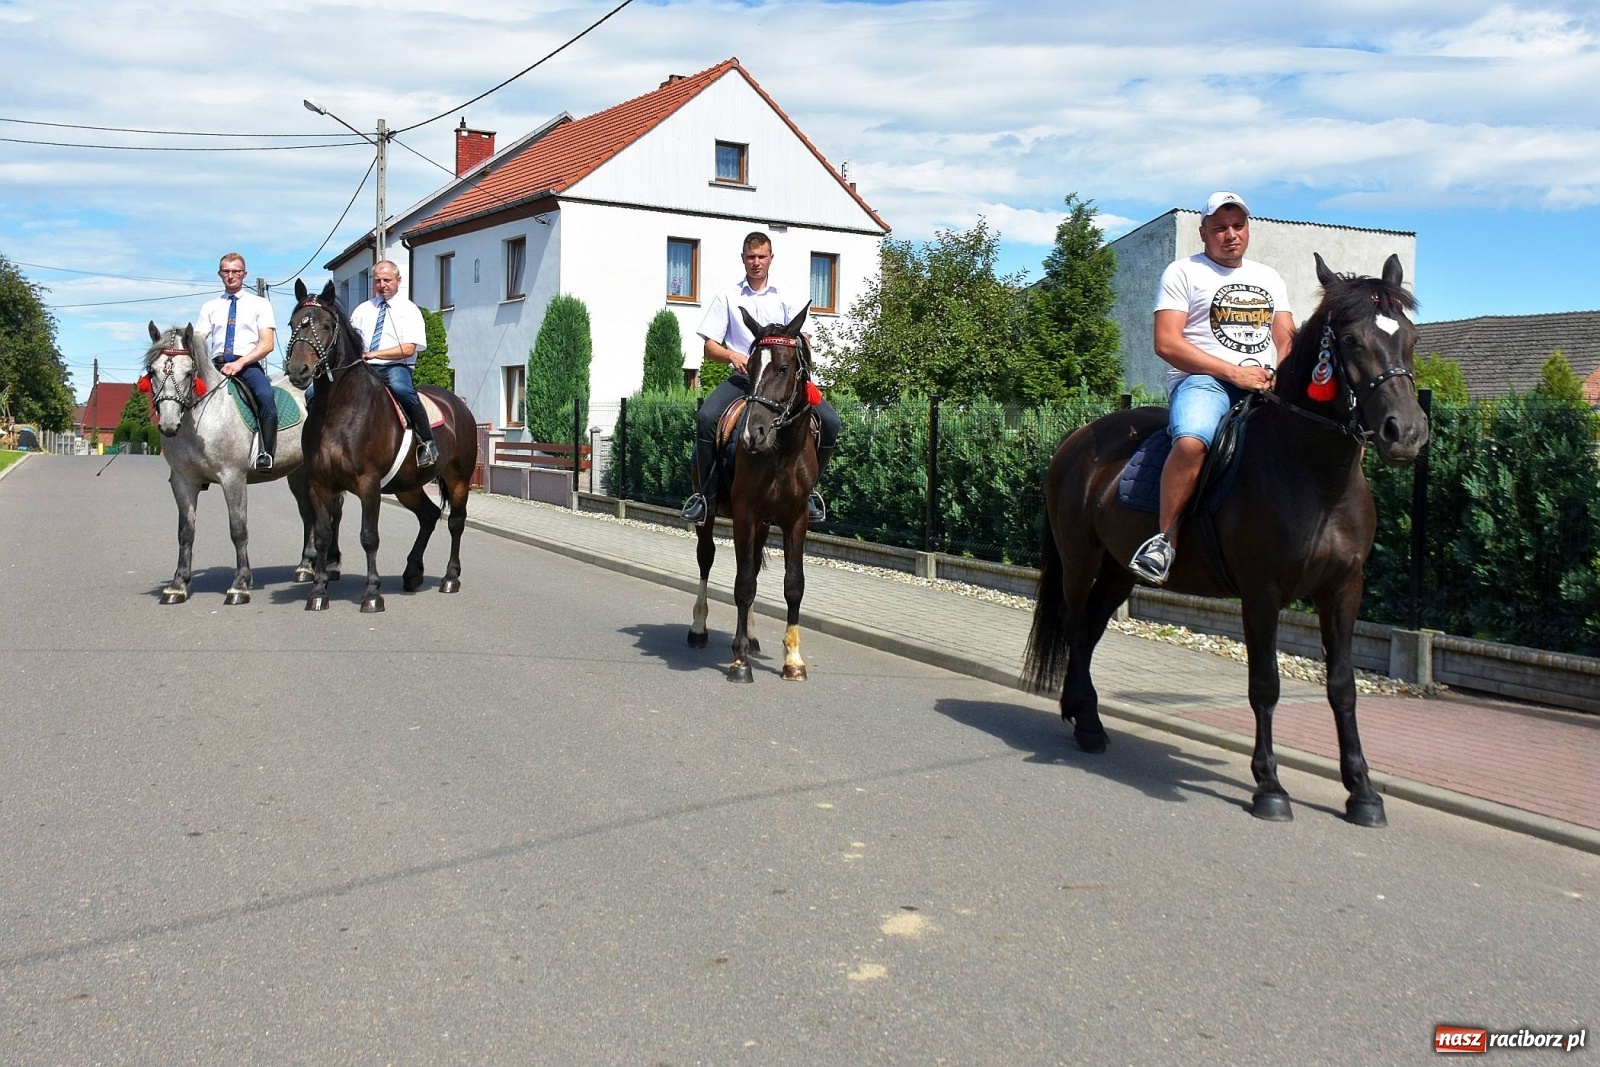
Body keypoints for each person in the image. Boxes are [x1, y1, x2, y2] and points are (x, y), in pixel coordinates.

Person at [1128, 192, 1295, 585]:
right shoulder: (1183, 272)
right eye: (1220, 228)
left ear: (1248, 229)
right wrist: (1233, 373)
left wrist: (1274, 373)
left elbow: (1287, 339)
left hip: (1263, 385)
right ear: (1203, 232)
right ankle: (1163, 542)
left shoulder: (1268, 278)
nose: (1230, 235)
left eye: (1238, 226)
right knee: (1191, 442)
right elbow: (1166, 343)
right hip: (1202, 382)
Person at [680, 231, 839, 524]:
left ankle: (811, 493)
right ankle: (705, 497)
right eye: (751, 257)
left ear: (770, 259)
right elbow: (709, 347)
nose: (756, 262)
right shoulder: (728, 296)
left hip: (781, 382)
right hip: (743, 380)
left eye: (761, 257)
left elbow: (804, 338)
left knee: (830, 422)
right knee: (706, 417)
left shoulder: (787, 295)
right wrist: (732, 356)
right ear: (743, 259)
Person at [351, 260, 438, 468]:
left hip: (396, 366)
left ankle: (427, 442)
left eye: (387, 280)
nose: (382, 284)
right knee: (315, 393)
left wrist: (374, 354)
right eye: (378, 280)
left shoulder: (409, 310)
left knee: (401, 389)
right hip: (364, 367)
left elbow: (409, 348)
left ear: (398, 281)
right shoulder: (362, 310)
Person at [197, 253, 278, 471]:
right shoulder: (210, 307)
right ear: (220, 274)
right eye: (226, 271)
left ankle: (266, 453)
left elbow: (267, 343)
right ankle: (191, 458)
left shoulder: (259, 304)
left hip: (247, 365)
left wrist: (240, 364)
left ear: (244, 274)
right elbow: (198, 339)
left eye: (236, 271)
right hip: (215, 365)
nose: (231, 276)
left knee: (265, 396)